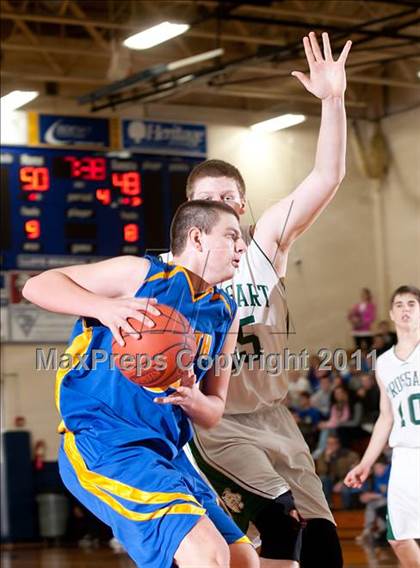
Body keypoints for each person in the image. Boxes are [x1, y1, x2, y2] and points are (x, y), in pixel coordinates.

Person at [182, 32, 351, 568]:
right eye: (208, 201)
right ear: (191, 214)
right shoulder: (167, 272)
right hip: (217, 423)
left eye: (230, 199)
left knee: (322, 544)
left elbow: (327, 176)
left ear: (244, 204)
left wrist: (332, 100)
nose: (222, 207)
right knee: (279, 533)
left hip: (275, 417)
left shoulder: (264, 241)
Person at [22, 201, 260, 568]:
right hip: (104, 442)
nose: (242, 247)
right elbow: (37, 285)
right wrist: (103, 308)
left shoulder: (225, 313)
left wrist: (193, 399)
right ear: (197, 238)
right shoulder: (141, 274)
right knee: (207, 554)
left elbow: (214, 410)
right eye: (232, 236)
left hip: (167, 454)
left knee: (242, 558)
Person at [345, 285, 420, 568]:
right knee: (398, 537)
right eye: (399, 304)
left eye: (412, 303)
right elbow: (385, 417)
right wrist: (365, 463)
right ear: (391, 313)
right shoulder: (384, 363)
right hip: (404, 455)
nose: (405, 309)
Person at [315, 434, 359, 509]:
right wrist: (326, 460)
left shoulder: (349, 455)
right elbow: (321, 472)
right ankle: (328, 507)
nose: (330, 446)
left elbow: (355, 471)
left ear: (338, 444)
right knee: (323, 480)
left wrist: (342, 482)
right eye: (328, 443)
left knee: (345, 489)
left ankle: (346, 511)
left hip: (346, 480)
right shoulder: (322, 456)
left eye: (333, 443)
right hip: (331, 481)